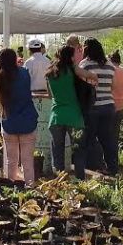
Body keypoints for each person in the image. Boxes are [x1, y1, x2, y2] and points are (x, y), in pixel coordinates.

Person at [46, 45, 97, 173]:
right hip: (74, 118)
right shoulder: (73, 69)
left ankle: (59, 181)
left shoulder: (50, 72)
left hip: (56, 118)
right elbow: (92, 76)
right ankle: (79, 180)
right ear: (71, 56)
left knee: (57, 152)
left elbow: (50, 95)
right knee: (78, 149)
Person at [0, 48, 38, 185]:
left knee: (11, 161)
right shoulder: (24, 73)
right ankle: (30, 189)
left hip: (8, 123)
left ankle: (10, 188)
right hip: (27, 121)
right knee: (27, 161)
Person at [75, 38, 118, 179]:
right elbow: (113, 86)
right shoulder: (110, 65)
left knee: (87, 140)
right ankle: (113, 169)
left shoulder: (85, 64)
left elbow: (80, 87)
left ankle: (86, 170)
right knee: (108, 139)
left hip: (92, 107)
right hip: (109, 106)